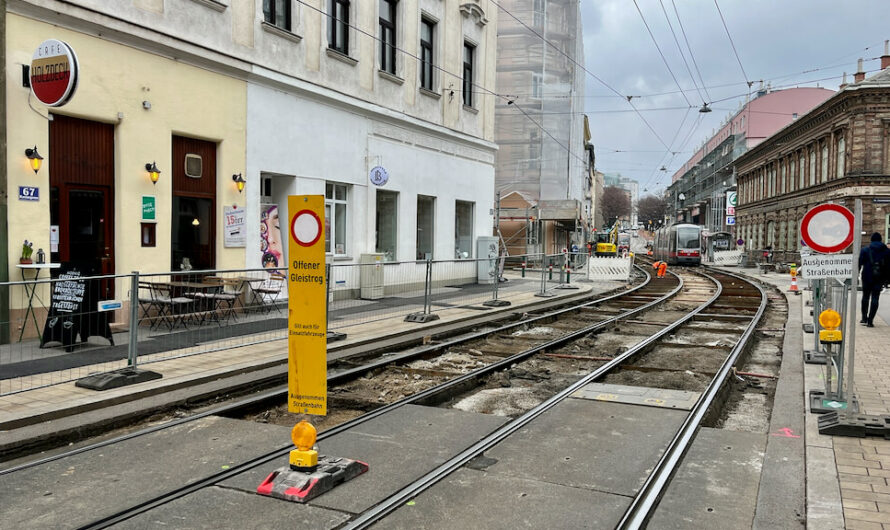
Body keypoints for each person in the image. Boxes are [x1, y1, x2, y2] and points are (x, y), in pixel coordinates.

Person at [859, 232, 890, 327]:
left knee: (865, 297)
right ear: (881, 240)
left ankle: (864, 317)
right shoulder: (886, 251)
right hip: (880, 277)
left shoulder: (865, 249)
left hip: (867, 276)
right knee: (875, 297)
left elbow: (860, 262)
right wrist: (887, 279)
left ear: (871, 239)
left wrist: (857, 274)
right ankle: (870, 321)